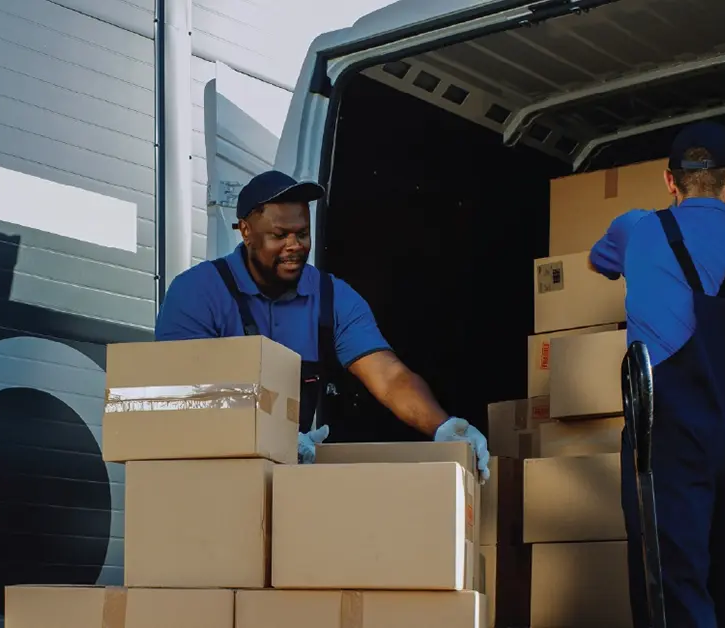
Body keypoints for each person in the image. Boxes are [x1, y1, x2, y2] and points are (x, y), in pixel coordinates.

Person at [588, 121, 725, 628]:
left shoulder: (635, 228)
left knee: (674, 590)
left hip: (664, 436)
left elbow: (599, 262)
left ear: (669, 181)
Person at [155, 170, 490, 481]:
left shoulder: (333, 298)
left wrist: (442, 425)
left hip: (288, 479)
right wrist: (269, 436)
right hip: (206, 477)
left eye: (302, 234)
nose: (294, 246)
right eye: (279, 235)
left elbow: (389, 377)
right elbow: (182, 392)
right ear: (245, 231)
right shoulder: (197, 292)